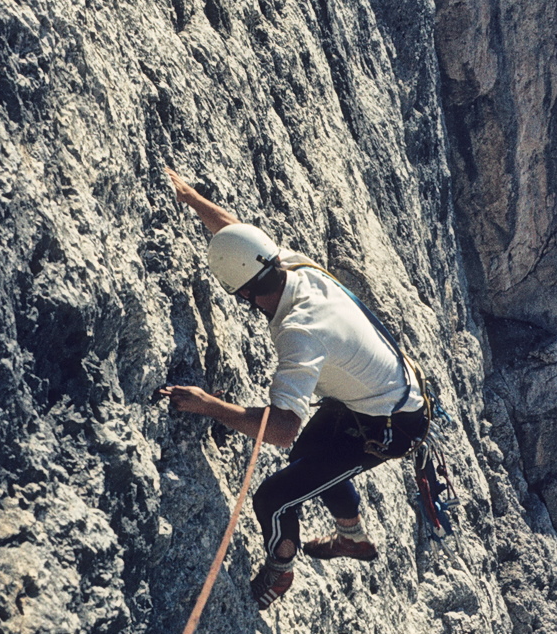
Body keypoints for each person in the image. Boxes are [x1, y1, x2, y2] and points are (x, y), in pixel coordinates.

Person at [160, 168, 430, 609]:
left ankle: (280, 570)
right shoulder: (292, 265)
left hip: (392, 425)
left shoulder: (298, 331)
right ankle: (352, 539)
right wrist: (189, 197)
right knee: (311, 457)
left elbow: (281, 428)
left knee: (273, 496)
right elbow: (236, 235)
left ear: (243, 295)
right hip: (379, 397)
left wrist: (209, 405)